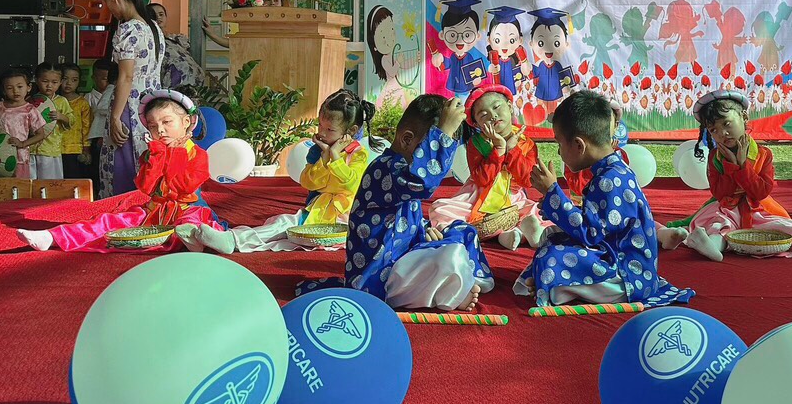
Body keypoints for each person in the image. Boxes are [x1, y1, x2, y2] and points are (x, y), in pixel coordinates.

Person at [296, 94, 492, 311]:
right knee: (450, 254)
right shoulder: (385, 168)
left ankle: (463, 280)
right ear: (407, 139)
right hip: (380, 277)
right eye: (431, 145)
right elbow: (422, 181)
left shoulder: (399, 168)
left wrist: (425, 230)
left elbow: (405, 218)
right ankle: (455, 289)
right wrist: (443, 132)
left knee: (463, 231)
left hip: (402, 257)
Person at [519, 91, 693, 308]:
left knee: (552, 256)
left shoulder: (609, 180)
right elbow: (596, 225)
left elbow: (590, 233)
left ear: (579, 145)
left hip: (627, 275)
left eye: (560, 144)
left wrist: (552, 192)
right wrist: (553, 203)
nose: (559, 153)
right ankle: (555, 284)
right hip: (614, 254)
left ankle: (556, 287)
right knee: (552, 235)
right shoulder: (611, 171)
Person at [658, 91, 792, 263]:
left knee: (787, 228)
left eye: (727, 124)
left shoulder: (764, 154)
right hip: (726, 207)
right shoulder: (715, 158)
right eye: (714, 130)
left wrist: (742, 166)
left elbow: (761, 192)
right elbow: (720, 193)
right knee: (720, 224)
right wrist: (730, 165)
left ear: (744, 118)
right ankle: (710, 246)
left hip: (758, 208)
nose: (723, 133)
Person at [17, 91, 223, 252]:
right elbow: (146, 187)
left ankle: (194, 239)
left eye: (167, 122)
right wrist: (156, 156)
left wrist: (172, 154)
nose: (160, 130)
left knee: (192, 223)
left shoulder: (197, 155)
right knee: (108, 221)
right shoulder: (152, 153)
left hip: (188, 209)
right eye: (153, 126)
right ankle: (54, 237)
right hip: (153, 212)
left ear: (186, 122)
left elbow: (183, 188)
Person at [179, 90, 374, 254]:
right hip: (317, 212)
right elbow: (309, 182)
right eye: (320, 126)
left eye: (329, 129)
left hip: (342, 221)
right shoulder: (319, 152)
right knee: (282, 224)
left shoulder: (358, 154)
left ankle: (230, 240)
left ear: (351, 130)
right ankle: (226, 239)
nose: (321, 133)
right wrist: (324, 158)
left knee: (284, 230)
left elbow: (351, 185)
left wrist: (336, 157)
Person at [429, 85, 545, 250]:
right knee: (440, 209)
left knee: (536, 209)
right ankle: (510, 234)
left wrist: (512, 149)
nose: (492, 115)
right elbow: (481, 179)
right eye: (483, 115)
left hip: (512, 197)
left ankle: (517, 233)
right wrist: (499, 149)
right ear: (477, 123)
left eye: (497, 107)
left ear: (510, 107)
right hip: (477, 196)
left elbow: (526, 180)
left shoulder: (526, 143)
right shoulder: (476, 143)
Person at [101, 0, 163, 197]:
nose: (108, 8)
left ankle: (123, 212)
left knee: (123, 168)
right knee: (145, 164)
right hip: (152, 105)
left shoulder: (127, 30)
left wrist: (115, 117)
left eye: (106, 1)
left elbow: (126, 77)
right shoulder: (153, 27)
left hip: (130, 106)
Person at [564, 92, 629, 200]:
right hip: (581, 203)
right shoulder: (576, 151)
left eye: (605, 120)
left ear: (616, 126)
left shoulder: (620, 155)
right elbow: (576, 184)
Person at [0, 67, 48, 180]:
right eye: (9, 88)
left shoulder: (30, 110)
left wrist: (23, 143)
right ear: (3, 90)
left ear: (29, 87)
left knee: (19, 187)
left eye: (20, 87)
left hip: (19, 157)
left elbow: (40, 134)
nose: (15, 91)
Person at [29, 61, 73, 181]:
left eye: (54, 82)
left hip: (50, 149)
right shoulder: (30, 100)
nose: (49, 85)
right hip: (30, 148)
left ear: (60, 82)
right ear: (37, 80)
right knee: (31, 181)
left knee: (49, 182)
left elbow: (71, 120)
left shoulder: (61, 101)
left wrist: (61, 116)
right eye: (45, 81)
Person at [148, 3, 207, 90]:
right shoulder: (150, 42)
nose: (158, 18)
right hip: (172, 89)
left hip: (194, 87)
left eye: (161, 14)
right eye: (154, 15)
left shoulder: (178, 39)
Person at [58, 64, 93, 180]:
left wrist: (86, 148)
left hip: (75, 149)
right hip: (54, 148)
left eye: (74, 80)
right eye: (65, 79)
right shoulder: (53, 101)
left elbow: (86, 127)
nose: (69, 83)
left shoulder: (82, 103)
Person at [85, 58, 115, 186]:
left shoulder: (112, 91)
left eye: (108, 79)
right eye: (103, 79)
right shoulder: (89, 97)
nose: (106, 82)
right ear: (94, 78)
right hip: (96, 137)